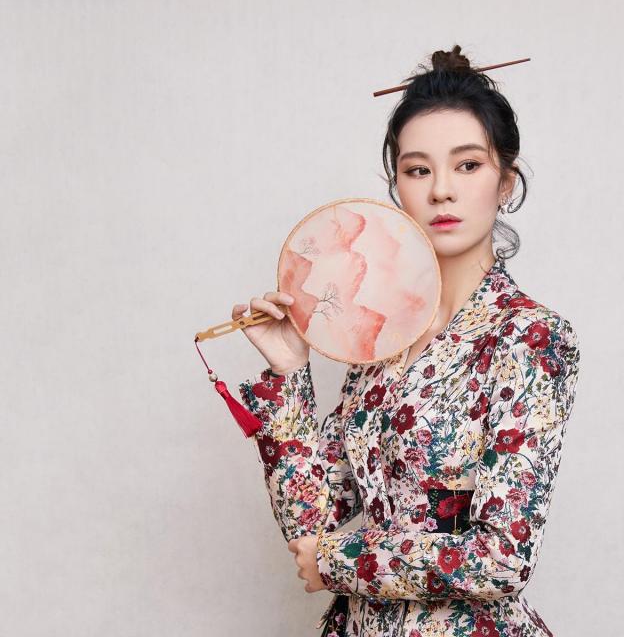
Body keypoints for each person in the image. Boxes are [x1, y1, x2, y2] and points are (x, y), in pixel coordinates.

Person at [233, 45, 581, 637]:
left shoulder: (529, 336)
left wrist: (337, 562)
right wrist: (290, 373)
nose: (441, 190)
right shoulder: (383, 337)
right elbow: (310, 524)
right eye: (418, 170)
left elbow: (502, 556)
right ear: (397, 187)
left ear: (505, 182)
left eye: (467, 165)